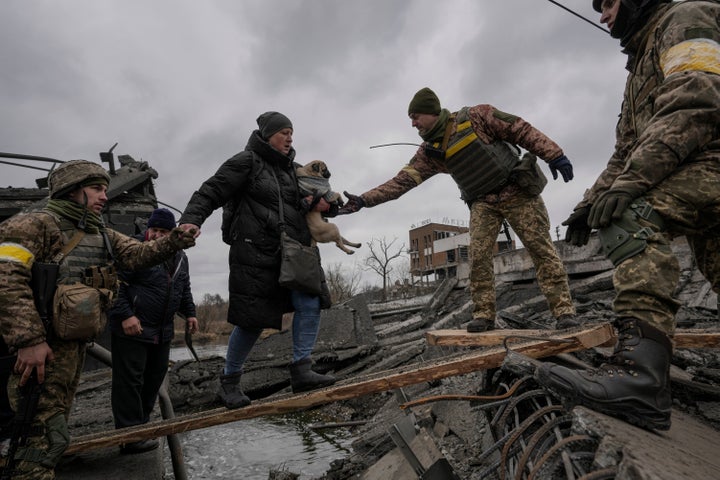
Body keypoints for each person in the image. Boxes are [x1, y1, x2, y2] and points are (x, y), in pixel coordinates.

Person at [537, 0, 720, 432]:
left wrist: (629, 186)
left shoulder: (686, 18)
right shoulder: (640, 66)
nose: (603, 15)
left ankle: (640, 379)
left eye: (610, 3)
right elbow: (626, 151)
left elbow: (696, 98)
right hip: (700, 172)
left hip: (710, 162)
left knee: (631, 215)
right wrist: (590, 202)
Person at [0, 160, 196, 478]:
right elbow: (6, 279)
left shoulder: (98, 233)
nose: (104, 196)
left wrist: (176, 239)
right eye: (96, 189)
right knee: (36, 428)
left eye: (106, 189)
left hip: (72, 347)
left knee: (55, 422)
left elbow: (138, 253)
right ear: (72, 190)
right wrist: (29, 340)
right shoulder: (33, 226)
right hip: (41, 348)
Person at [337, 87, 577, 332]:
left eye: (416, 116)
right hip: (484, 203)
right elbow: (400, 182)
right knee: (478, 258)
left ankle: (564, 312)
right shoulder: (430, 152)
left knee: (541, 251)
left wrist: (553, 154)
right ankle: (484, 315)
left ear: (431, 112)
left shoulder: (476, 117)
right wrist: (364, 200)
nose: (413, 123)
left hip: (517, 192)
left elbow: (519, 128)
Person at [178, 111, 336, 409]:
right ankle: (229, 382)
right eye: (283, 132)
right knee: (252, 320)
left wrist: (332, 205)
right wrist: (191, 219)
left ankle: (302, 369)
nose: (289, 137)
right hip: (255, 252)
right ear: (267, 135)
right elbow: (211, 190)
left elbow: (319, 199)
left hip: (296, 250)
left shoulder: (297, 171)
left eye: (291, 132)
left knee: (309, 302)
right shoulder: (246, 161)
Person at [109, 208, 199, 454]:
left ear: (172, 233)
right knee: (130, 382)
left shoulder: (180, 256)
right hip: (132, 328)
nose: (158, 235)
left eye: (164, 231)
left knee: (153, 379)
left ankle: (142, 428)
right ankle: (129, 437)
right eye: (154, 230)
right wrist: (126, 314)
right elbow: (115, 283)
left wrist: (190, 313)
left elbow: (183, 286)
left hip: (162, 329)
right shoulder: (132, 249)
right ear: (147, 229)